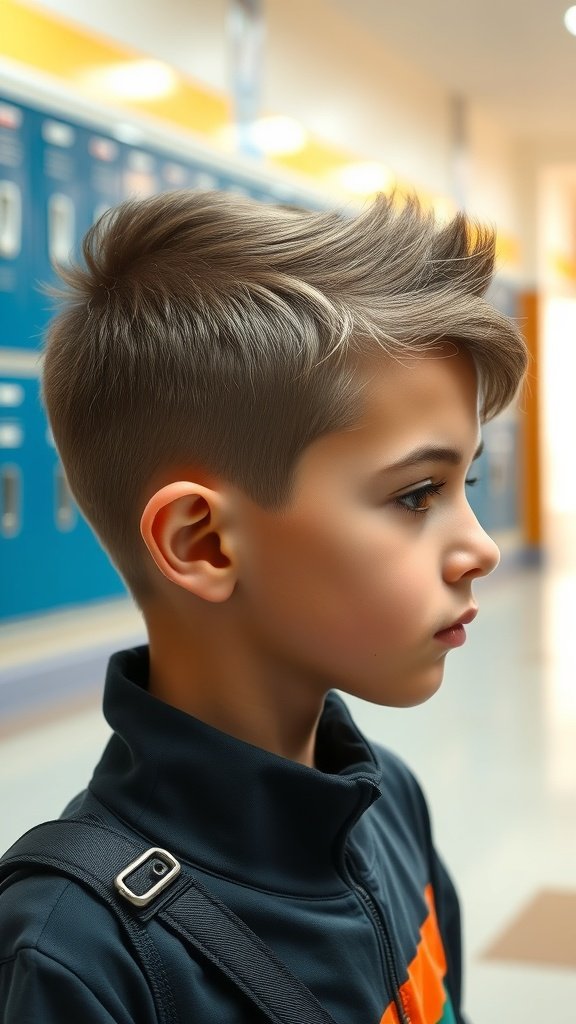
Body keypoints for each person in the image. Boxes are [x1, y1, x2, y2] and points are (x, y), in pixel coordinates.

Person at [0, 190, 527, 1023]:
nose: (481, 548)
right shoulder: (82, 956)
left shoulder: (388, 802)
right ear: (203, 542)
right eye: (418, 493)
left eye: (466, 480)